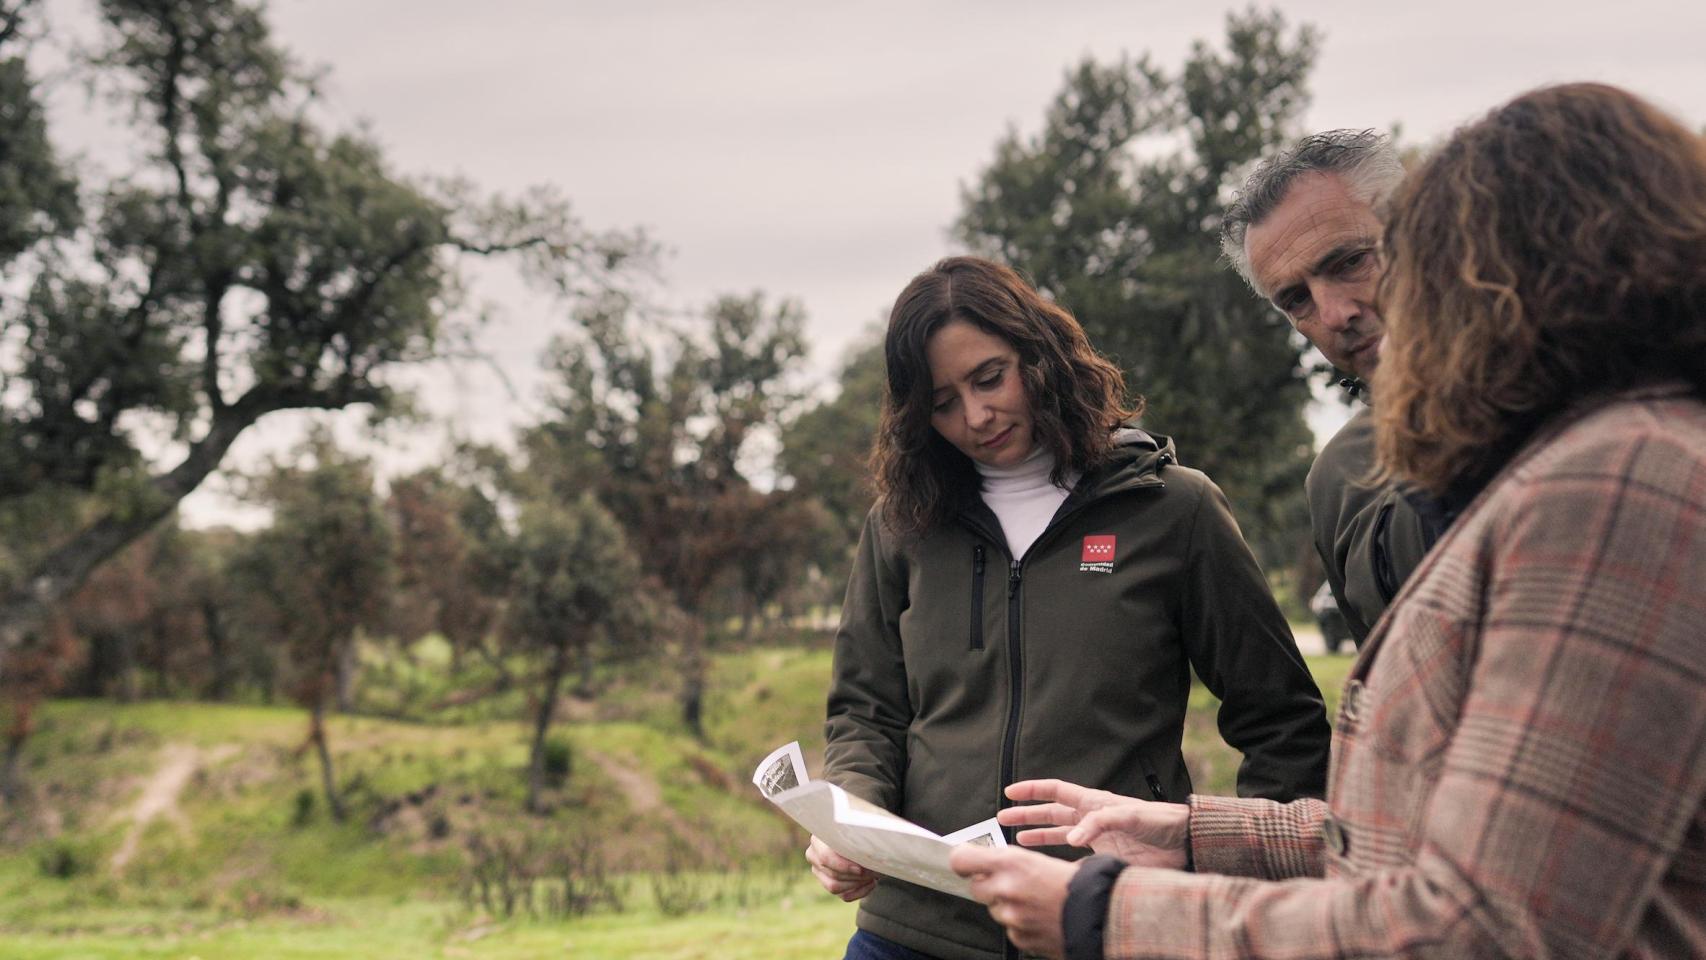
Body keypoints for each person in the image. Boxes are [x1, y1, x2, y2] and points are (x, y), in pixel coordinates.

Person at [949, 82, 1706, 959]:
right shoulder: (1559, 459)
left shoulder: (1619, 481)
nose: (1346, 312)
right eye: (1296, 299)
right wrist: (1192, 836)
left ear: (1555, 264)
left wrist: (1109, 916)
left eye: (1416, 253)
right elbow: (1453, 823)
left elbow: (1483, 927)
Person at [812, 256, 1332, 960]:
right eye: (941, 402)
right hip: (917, 931)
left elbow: (1283, 724)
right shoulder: (902, 525)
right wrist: (852, 815)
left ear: (1040, 355)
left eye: (989, 377)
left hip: (1105, 919)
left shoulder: (1173, 509)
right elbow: (866, 710)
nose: (976, 415)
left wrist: (1226, 870)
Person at [1220, 131, 1432, 646]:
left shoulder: (1581, 397)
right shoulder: (1337, 479)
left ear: (1423, 231)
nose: (1335, 315)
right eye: (1296, 300)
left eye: (1350, 262)